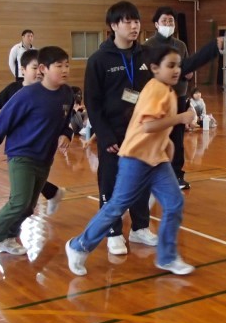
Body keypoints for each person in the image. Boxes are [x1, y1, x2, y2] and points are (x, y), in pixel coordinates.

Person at [85, 1, 221, 256]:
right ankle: (113, 232)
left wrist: (213, 48)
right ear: (114, 25)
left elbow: (181, 67)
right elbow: (92, 102)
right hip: (113, 134)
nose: (134, 26)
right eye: (127, 21)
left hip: (143, 133)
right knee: (111, 183)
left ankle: (139, 227)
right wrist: (104, 135)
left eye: (136, 21)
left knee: (142, 181)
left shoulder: (147, 55)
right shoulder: (99, 60)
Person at [66, 45, 196, 276]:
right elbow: (148, 126)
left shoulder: (168, 91)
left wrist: (167, 144)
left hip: (156, 160)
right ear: (155, 68)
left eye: (178, 65)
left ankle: (167, 258)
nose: (176, 70)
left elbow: (157, 128)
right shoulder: (155, 89)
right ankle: (78, 246)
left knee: (174, 203)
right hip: (136, 157)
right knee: (117, 206)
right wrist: (180, 118)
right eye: (170, 65)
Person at [0, 46, 74, 262]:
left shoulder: (67, 93)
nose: (64, 70)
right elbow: (3, 120)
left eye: (67, 65)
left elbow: (66, 120)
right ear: (43, 68)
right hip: (21, 155)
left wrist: (66, 134)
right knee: (19, 202)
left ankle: (9, 237)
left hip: (45, 156)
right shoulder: (27, 95)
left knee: (29, 206)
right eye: (58, 66)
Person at [145, 6, 222, 189]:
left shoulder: (180, 45)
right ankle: (152, 174)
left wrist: (188, 74)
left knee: (177, 137)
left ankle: (177, 175)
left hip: (178, 95)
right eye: (164, 21)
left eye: (171, 21)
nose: (168, 24)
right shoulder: (148, 46)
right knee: (157, 136)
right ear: (156, 24)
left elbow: (187, 66)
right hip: (157, 99)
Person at [0, 48, 66, 216]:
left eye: (41, 67)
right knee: (21, 192)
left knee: (26, 188)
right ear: (23, 70)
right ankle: (11, 226)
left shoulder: (50, 92)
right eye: (34, 68)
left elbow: (62, 117)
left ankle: (51, 194)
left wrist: (65, 133)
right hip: (19, 147)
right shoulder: (14, 90)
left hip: (41, 149)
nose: (38, 72)